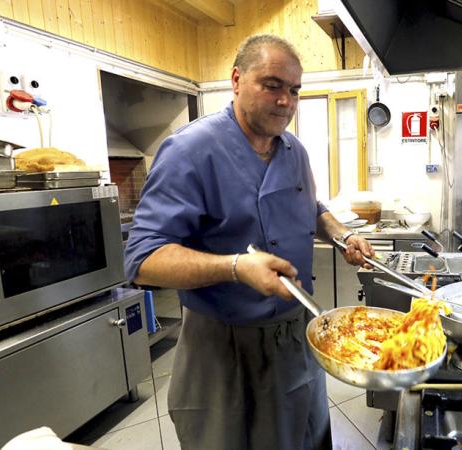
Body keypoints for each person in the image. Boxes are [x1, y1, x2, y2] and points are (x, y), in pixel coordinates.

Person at [124, 34, 375, 450]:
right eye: (272, 85)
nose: (286, 101)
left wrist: (340, 233)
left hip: (296, 337)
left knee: (305, 438)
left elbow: (309, 207)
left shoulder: (294, 151)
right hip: (224, 347)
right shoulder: (190, 150)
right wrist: (236, 267)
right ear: (237, 80)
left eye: (294, 90)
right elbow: (143, 258)